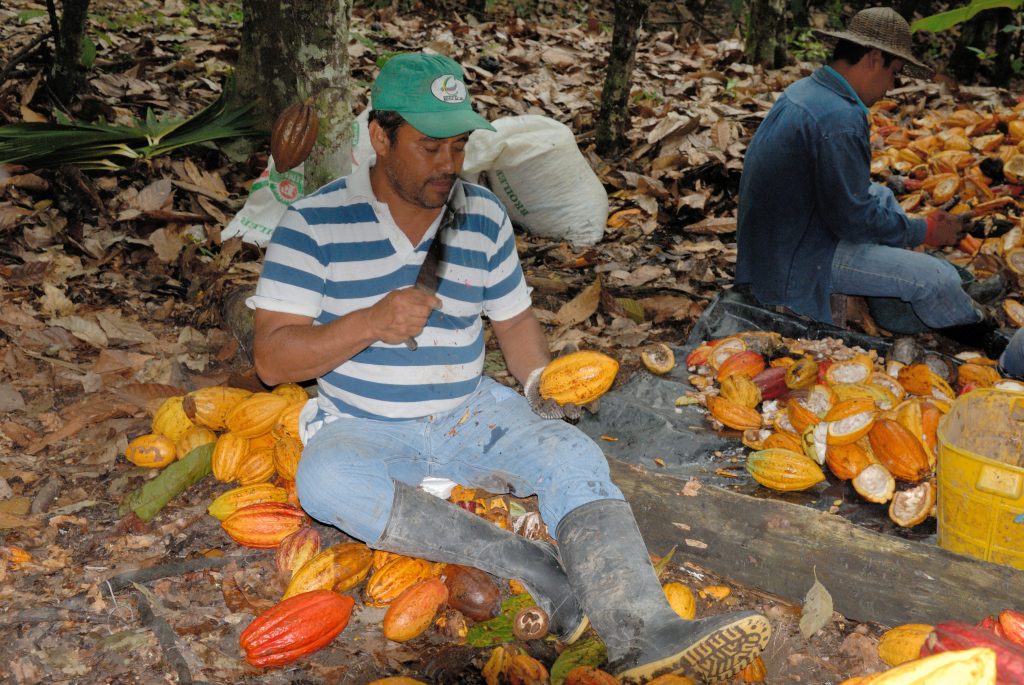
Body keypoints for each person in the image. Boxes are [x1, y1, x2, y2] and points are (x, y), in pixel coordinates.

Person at [247, 52, 770, 682]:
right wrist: (369, 323)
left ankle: (646, 630)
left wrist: (538, 386)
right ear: (379, 137)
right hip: (364, 421)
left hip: (470, 413)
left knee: (570, 453)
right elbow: (272, 360)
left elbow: (515, 322)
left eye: (460, 146)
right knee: (326, 481)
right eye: (430, 146)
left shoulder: (482, 216)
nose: (449, 164)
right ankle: (540, 573)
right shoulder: (314, 223)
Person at [736, 6, 1007, 358]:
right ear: (874, 59)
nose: (891, 87)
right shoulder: (840, 117)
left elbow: (852, 200)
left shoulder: (808, 90)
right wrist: (924, 231)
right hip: (798, 261)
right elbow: (851, 219)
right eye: (894, 74)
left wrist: (905, 227)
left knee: (880, 195)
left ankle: (891, 296)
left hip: (777, 242)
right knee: (935, 279)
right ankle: (982, 333)